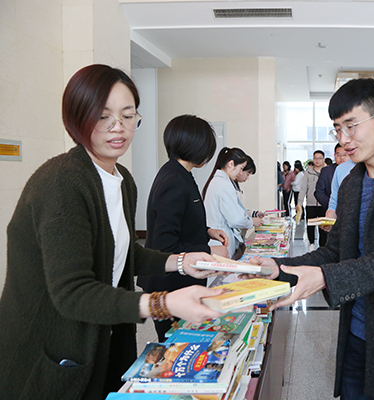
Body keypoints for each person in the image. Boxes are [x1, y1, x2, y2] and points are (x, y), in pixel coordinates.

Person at [0, 64, 225, 399]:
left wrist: (180, 262)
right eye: (103, 116)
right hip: (49, 352)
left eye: (127, 115)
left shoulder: (121, 179)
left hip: (101, 341)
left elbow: (121, 252)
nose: (117, 127)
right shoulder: (62, 182)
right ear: (77, 118)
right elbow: (73, 292)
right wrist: (165, 302)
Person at [250, 78, 374, 400]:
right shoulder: (350, 184)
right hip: (357, 333)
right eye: (337, 129)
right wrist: (279, 267)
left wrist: (323, 278)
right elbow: (334, 252)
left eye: (351, 126)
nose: (343, 139)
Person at [138, 114, 230, 341]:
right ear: (194, 146)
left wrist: (207, 230)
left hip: (180, 278)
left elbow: (181, 217)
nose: (209, 155)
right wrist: (208, 251)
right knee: (174, 343)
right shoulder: (174, 181)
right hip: (169, 284)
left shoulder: (181, 173)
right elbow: (164, 244)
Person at [203, 147, 262, 259]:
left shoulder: (219, 181)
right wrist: (251, 222)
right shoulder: (224, 185)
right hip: (221, 241)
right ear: (231, 164)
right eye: (241, 168)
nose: (240, 173)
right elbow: (236, 219)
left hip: (218, 240)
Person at [315, 144, 349, 238]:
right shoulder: (327, 171)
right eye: (338, 155)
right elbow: (319, 192)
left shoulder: (357, 169)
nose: (341, 157)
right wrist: (332, 206)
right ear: (334, 155)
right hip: (329, 211)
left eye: (345, 155)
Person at [297, 150, 326, 250]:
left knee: (323, 227)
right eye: (315, 158)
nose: (317, 160)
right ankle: (312, 243)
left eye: (319, 158)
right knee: (310, 225)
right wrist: (299, 203)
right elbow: (303, 188)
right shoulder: (308, 172)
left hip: (324, 204)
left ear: (323, 160)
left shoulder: (327, 172)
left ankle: (323, 247)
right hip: (311, 203)